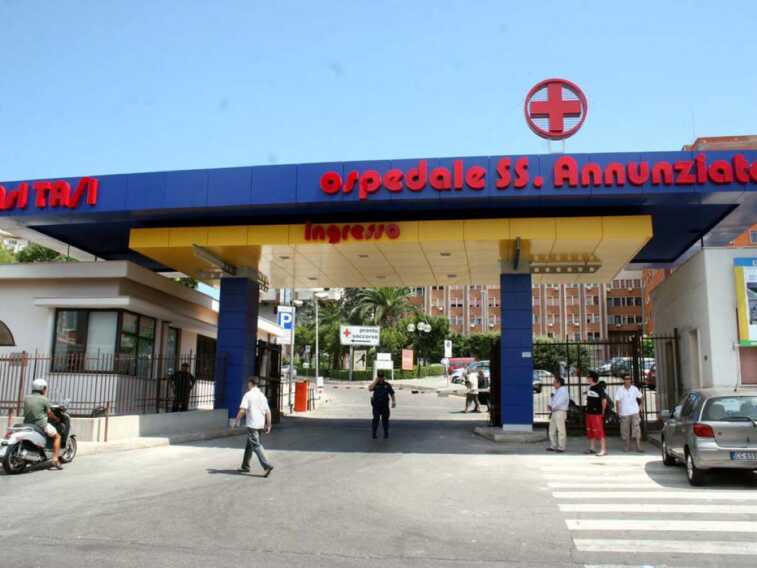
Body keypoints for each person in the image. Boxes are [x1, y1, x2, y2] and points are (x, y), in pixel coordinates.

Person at [234, 377, 274, 476]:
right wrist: (269, 425)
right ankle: (245, 466)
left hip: (252, 425)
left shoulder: (248, 395)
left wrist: (236, 421)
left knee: (256, 445)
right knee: (250, 445)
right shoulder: (262, 396)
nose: (247, 385)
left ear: (250, 383)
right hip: (260, 425)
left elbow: (242, 410)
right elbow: (268, 412)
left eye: (248, 383)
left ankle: (267, 465)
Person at [23, 378, 63, 470]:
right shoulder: (44, 399)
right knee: (58, 437)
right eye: (45, 388)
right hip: (41, 424)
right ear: (42, 388)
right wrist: (57, 419)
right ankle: (55, 459)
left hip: (27, 424)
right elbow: (49, 414)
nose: (46, 390)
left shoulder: (26, 398)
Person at [615, 374, 644, 452]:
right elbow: (617, 401)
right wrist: (618, 411)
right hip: (624, 412)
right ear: (624, 380)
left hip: (634, 412)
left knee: (636, 429)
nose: (627, 380)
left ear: (631, 380)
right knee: (625, 430)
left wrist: (641, 406)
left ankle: (638, 446)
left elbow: (641, 397)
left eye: (629, 379)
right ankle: (627, 446)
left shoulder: (634, 389)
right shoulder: (620, 389)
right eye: (626, 379)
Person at [584, 371, 608, 456]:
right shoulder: (590, 387)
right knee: (590, 430)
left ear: (592, 378)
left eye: (588, 377)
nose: (587, 379)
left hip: (596, 413)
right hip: (589, 413)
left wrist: (603, 411)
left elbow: (604, 400)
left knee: (599, 431)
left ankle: (603, 450)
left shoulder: (599, 388)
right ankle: (592, 448)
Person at [369, 371, 396, 439]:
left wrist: (393, 401)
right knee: (376, 419)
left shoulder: (387, 385)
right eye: (379, 377)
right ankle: (374, 434)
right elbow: (370, 389)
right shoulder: (375, 384)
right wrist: (375, 381)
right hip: (376, 405)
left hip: (384, 405)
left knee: (385, 420)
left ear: (384, 377)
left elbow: (392, 393)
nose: (380, 378)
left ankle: (386, 433)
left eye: (381, 377)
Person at [547, 377, 569, 453]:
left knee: (561, 430)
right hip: (554, 411)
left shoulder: (563, 391)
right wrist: (549, 405)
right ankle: (553, 445)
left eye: (554, 382)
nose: (553, 384)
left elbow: (560, 402)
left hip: (560, 411)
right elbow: (552, 399)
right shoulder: (556, 390)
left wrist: (552, 407)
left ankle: (561, 447)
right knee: (552, 429)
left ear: (559, 383)